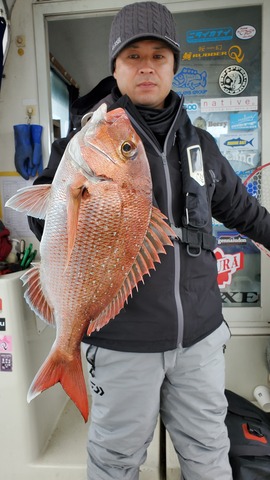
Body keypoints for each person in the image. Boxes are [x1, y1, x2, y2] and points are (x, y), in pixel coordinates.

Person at [28, 2, 270, 479]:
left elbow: (242, 212)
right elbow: (41, 224)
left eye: (159, 56)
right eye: (132, 55)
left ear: (174, 67)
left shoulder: (203, 144)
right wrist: (72, 205)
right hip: (120, 342)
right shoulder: (78, 145)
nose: (146, 66)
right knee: (115, 462)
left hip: (199, 338)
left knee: (209, 455)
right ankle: (66, 355)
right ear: (115, 68)